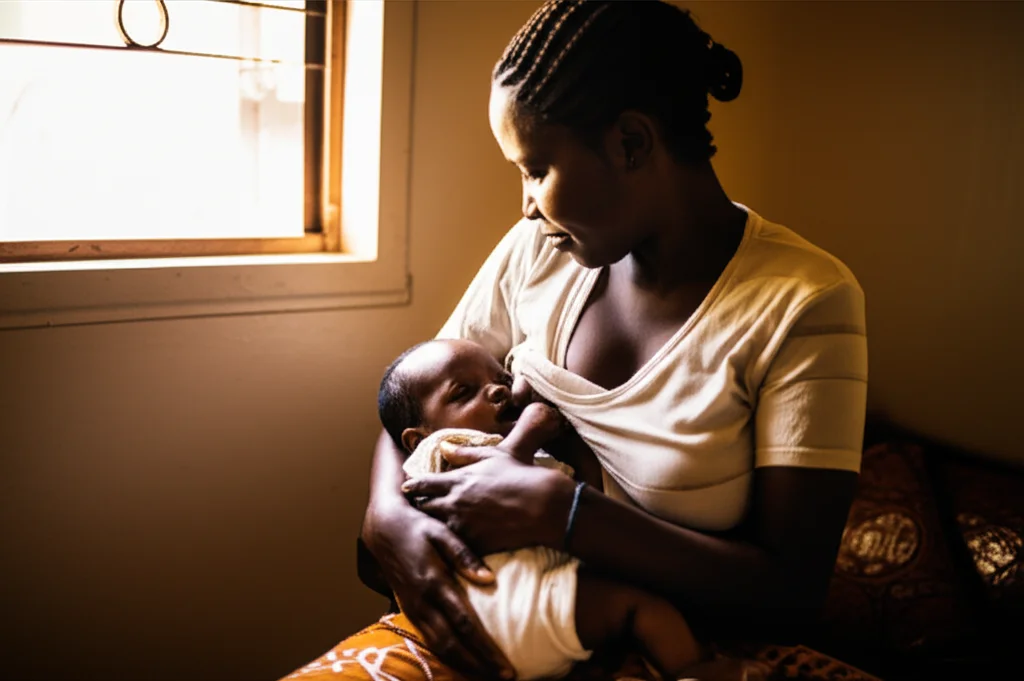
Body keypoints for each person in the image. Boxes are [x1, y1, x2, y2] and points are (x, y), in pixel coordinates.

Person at [283, 1, 866, 679]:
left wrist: (566, 514)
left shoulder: (806, 300)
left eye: (535, 170)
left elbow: (792, 590)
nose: (525, 205)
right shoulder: (540, 249)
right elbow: (417, 396)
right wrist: (387, 519)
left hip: (678, 647)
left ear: (631, 143)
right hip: (505, 615)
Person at [369, 336, 758, 680]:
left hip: (522, 613)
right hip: (504, 609)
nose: (497, 392)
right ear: (417, 438)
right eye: (463, 392)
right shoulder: (439, 452)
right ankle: (692, 670)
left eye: (501, 381)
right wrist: (533, 425)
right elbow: (494, 475)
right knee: (642, 608)